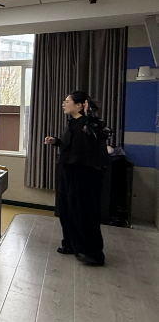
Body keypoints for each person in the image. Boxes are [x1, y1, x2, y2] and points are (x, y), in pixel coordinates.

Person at [45, 91, 110, 265]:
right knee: (66, 210)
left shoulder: (90, 124)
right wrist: (56, 141)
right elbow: (73, 145)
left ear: (80, 105)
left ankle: (92, 253)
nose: (63, 104)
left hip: (83, 173)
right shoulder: (72, 123)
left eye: (67, 101)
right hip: (68, 170)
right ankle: (70, 244)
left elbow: (102, 133)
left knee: (83, 211)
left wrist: (90, 116)